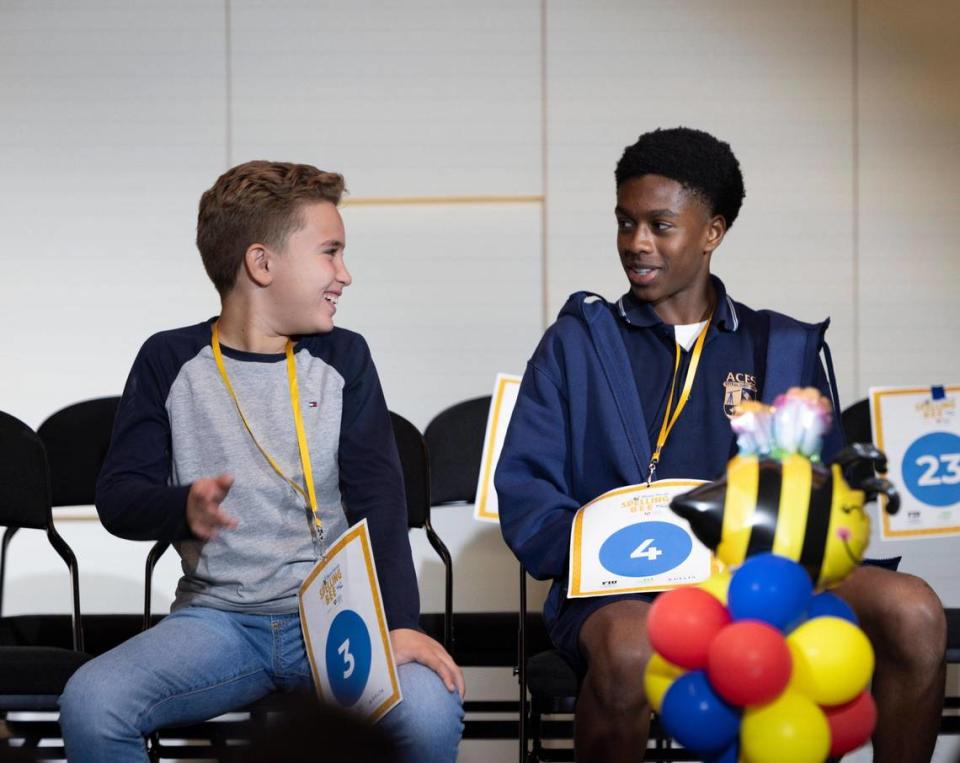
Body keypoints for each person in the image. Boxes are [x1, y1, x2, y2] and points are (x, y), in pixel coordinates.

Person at [496, 127, 945, 762]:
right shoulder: (577, 344)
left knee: (915, 612)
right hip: (627, 587)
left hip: (762, 580)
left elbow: (826, 497)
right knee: (629, 648)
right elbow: (526, 489)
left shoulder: (782, 347)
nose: (636, 244)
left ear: (713, 231)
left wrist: (803, 512)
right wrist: (603, 554)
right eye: (625, 223)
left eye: (659, 224)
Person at [58, 161, 464, 762]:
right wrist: (180, 505)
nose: (345, 275)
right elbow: (118, 497)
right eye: (330, 252)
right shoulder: (168, 361)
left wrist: (400, 623)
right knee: (92, 702)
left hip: (334, 621)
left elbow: (381, 500)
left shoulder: (345, 357)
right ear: (262, 263)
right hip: (216, 622)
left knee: (429, 712)